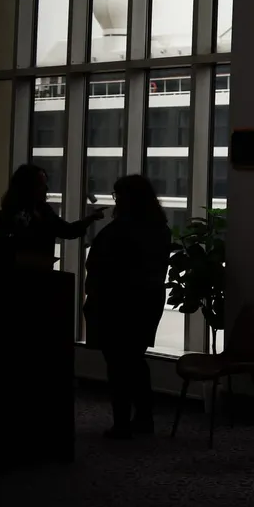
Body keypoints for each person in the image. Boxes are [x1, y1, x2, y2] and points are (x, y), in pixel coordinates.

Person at [83, 174, 171, 439]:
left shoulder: (120, 230)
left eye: (118, 195)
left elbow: (100, 265)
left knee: (118, 365)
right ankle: (143, 419)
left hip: (116, 304)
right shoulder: (160, 229)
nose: (115, 200)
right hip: (146, 302)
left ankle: (122, 422)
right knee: (134, 361)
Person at [0, 164, 106, 269]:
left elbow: (67, 230)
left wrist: (90, 218)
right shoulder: (9, 217)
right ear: (28, 188)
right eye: (41, 185)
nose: (46, 188)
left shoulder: (43, 211)